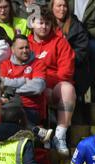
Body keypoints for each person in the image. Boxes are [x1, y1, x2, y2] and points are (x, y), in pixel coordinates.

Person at [28, 7, 76, 156]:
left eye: (47, 23)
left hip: (54, 88)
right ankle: (39, 135)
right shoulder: (25, 44)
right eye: (40, 22)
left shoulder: (59, 42)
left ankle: (60, 135)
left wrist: (47, 83)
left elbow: (66, 71)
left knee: (68, 88)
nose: (44, 26)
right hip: (31, 89)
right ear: (32, 23)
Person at [0, 34, 50, 142]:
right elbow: (0, 84)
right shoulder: (5, 65)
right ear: (12, 49)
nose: (25, 50)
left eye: (27, 47)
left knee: (13, 118)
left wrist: (12, 89)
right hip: (9, 106)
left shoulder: (38, 63)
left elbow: (37, 87)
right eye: (21, 48)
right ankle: (37, 132)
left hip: (31, 108)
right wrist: (24, 82)